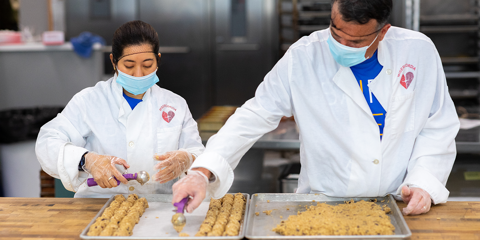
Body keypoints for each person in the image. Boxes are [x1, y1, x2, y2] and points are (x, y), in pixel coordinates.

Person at [172, 0, 460, 216]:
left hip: (399, 204)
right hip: (324, 204)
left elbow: (437, 124)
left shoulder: (417, 51)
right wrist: (202, 171)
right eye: (336, 32)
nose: (342, 45)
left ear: (383, 32)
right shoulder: (303, 57)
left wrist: (424, 182)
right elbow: (254, 114)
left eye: (355, 41)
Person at [36, 20, 204, 197]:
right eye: (129, 66)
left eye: (147, 65)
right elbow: (48, 141)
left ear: (158, 60)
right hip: (97, 205)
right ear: (114, 62)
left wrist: (188, 159)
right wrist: (87, 160)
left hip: (157, 207)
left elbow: (197, 152)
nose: (138, 74)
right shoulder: (89, 101)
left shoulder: (175, 105)